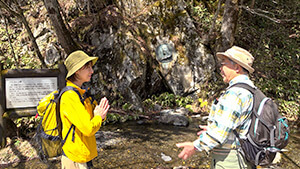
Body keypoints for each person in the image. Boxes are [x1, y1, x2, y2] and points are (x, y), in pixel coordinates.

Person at [176, 46, 256, 169]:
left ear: (237, 68)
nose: (220, 68)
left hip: (230, 161)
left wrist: (195, 146)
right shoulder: (250, 90)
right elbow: (237, 125)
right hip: (243, 157)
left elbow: (220, 134)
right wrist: (212, 128)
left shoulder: (235, 94)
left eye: (224, 64)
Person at [60, 50, 110, 169]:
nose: (92, 71)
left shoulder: (82, 93)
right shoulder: (70, 96)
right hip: (76, 158)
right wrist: (99, 116)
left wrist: (101, 114)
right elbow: (88, 129)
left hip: (84, 154)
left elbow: (94, 119)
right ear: (77, 71)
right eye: (88, 68)